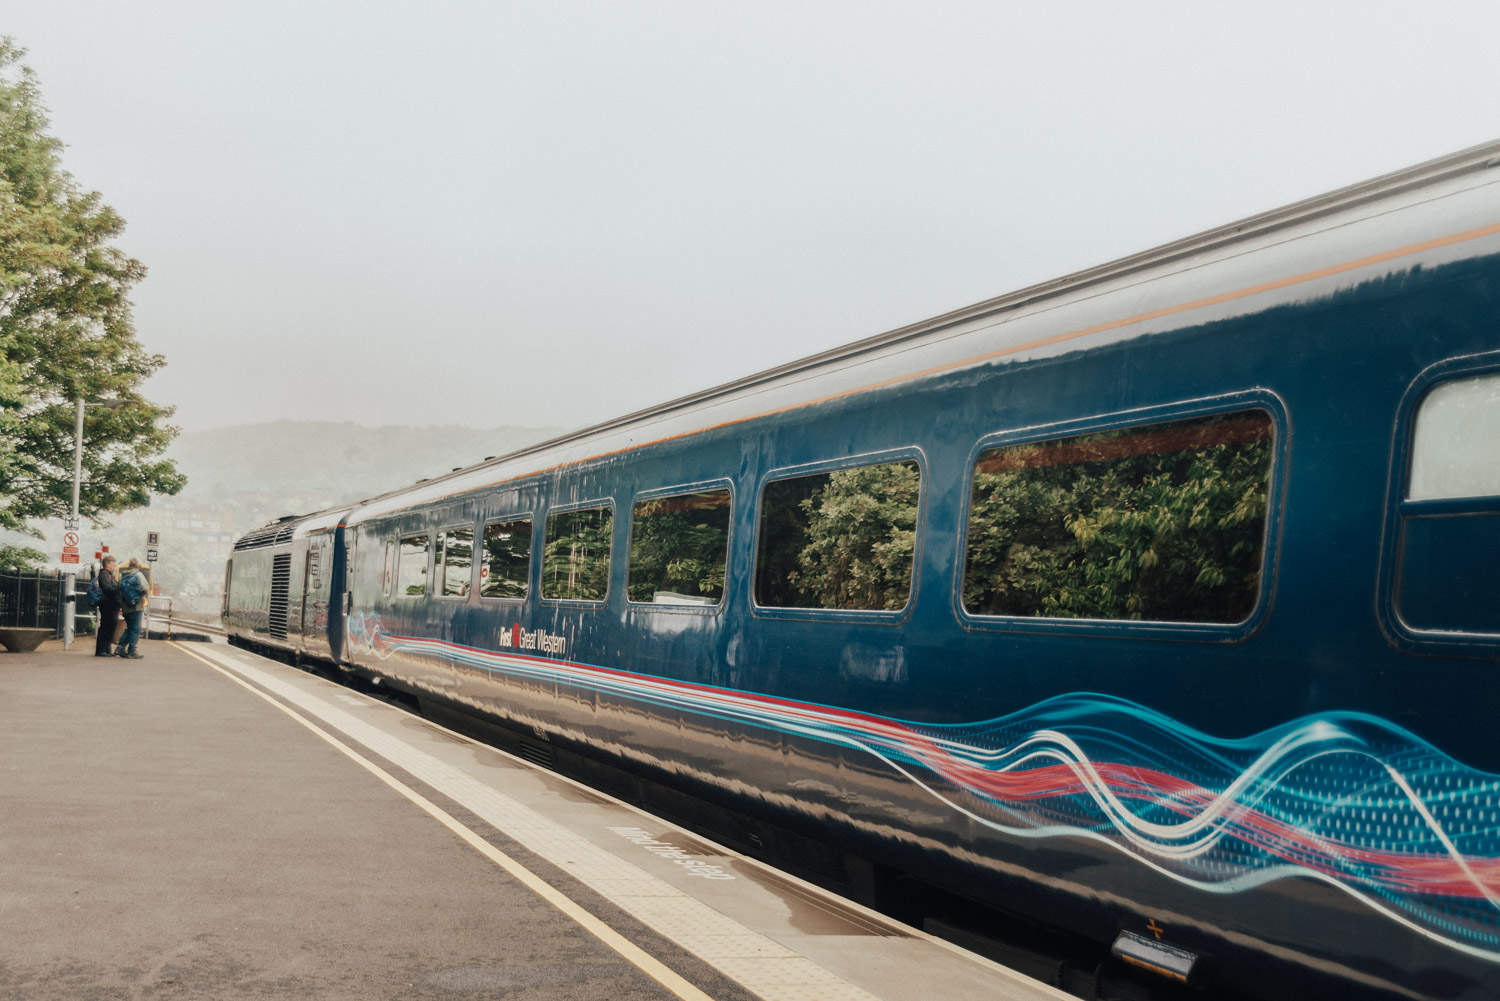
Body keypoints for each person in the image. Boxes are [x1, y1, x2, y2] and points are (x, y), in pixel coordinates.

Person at [115, 557, 149, 660]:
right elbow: (146, 588)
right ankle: (132, 651)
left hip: (125, 607)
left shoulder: (123, 576)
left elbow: (119, 590)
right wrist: (142, 597)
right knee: (136, 629)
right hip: (136, 606)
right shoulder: (138, 575)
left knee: (130, 628)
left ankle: (120, 648)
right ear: (138, 566)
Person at [94, 557, 122, 658]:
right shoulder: (104, 575)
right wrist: (119, 589)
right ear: (108, 564)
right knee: (106, 627)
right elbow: (107, 588)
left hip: (112, 605)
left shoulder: (109, 575)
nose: (115, 566)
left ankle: (106, 649)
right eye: (114, 563)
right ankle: (101, 650)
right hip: (107, 605)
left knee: (111, 627)